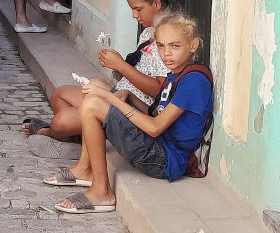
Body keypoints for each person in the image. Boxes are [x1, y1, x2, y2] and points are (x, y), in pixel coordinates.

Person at [43, 11, 213, 214]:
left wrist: (111, 99)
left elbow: (154, 127)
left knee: (93, 104)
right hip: (159, 146)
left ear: (193, 45)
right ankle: (85, 169)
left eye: (174, 46)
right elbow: (157, 116)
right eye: (161, 46)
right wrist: (129, 97)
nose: (166, 53)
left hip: (165, 159)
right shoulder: (176, 75)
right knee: (97, 87)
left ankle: (101, 191)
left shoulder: (193, 81)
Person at [23, 0, 171, 158]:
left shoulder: (168, 40)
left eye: (138, 9)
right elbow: (139, 72)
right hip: (120, 93)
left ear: (156, 4)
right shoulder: (148, 32)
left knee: (59, 123)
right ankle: (88, 139)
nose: (134, 15)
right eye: (132, 9)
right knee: (59, 95)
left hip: (132, 107)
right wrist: (115, 64)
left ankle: (50, 133)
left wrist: (122, 66)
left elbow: (160, 91)